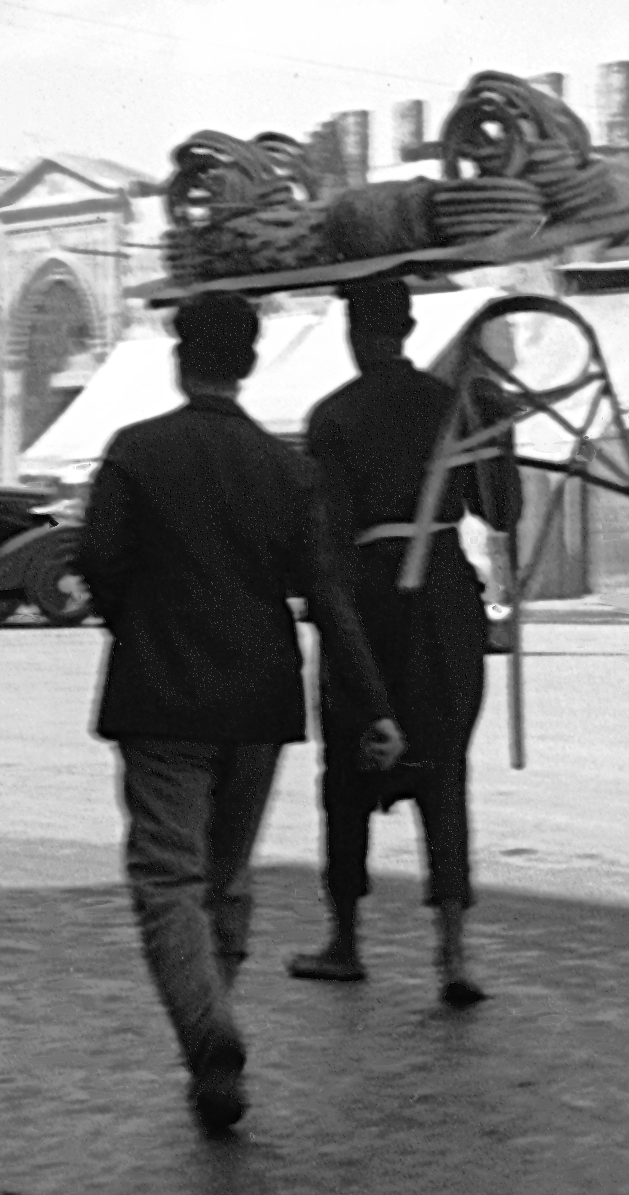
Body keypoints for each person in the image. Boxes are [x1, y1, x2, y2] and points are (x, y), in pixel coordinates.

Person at [76, 291, 402, 1134]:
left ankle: (207, 1034)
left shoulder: (136, 453)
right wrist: (372, 707)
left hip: (159, 699)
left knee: (165, 878)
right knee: (224, 879)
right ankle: (213, 1028)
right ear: (250, 364)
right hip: (259, 699)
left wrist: (142, 626)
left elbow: (97, 561)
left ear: (181, 360)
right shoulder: (287, 469)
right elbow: (330, 595)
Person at [286, 276, 520, 1010]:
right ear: (412, 326)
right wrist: (499, 433)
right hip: (449, 600)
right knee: (444, 768)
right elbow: (503, 512)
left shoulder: (334, 417)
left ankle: (346, 941)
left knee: (348, 775)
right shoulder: (455, 407)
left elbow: (326, 544)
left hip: (370, 601)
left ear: (355, 333)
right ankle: (452, 952)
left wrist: (329, 608)